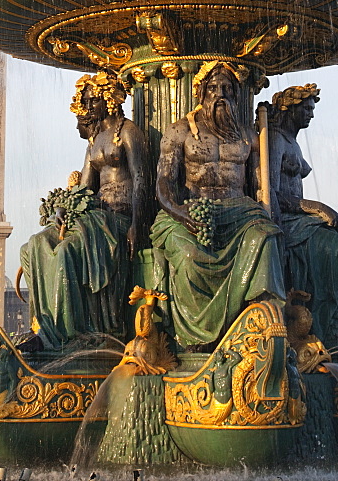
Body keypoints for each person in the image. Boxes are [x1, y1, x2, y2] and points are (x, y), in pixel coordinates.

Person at [150, 61, 285, 349]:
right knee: (188, 256)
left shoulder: (249, 136)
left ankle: (261, 323)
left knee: (265, 238)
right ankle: (196, 339)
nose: (220, 94)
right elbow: (162, 184)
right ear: (200, 94)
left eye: (227, 89)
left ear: (236, 96)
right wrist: (178, 212)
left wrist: (271, 218)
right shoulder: (179, 132)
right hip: (189, 211)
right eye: (213, 88)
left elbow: (262, 187)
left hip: (239, 212)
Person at [20, 72, 147, 350]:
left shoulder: (128, 132)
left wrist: (137, 224)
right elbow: (86, 188)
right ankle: (43, 326)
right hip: (95, 216)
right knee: (34, 246)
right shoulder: (96, 141)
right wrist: (63, 210)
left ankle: (67, 333)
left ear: (108, 100)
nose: (87, 108)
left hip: (119, 217)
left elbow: (140, 179)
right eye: (85, 102)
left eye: (92, 101)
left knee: (66, 251)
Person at [267, 84, 338, 348]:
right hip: (288, 221)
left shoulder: (293, 142)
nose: (311, 115)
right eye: (306, 109)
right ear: (290, 109)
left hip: (303, 219)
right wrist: (315, 207)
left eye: (312, 109)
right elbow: (270, 192)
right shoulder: (274, 140)